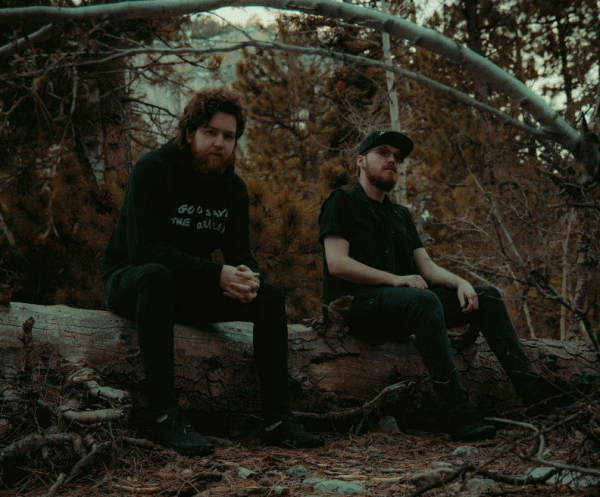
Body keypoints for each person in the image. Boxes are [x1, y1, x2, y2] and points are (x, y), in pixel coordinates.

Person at [101, 87, 324, 456]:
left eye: (229, 136)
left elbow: (242, 256)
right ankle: (162, 415)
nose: (220, 143)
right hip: (131, 280)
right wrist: (218, 274)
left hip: (186, 289)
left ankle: (278, 421)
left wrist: (248, 280)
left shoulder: (232, 189)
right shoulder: (153, 169)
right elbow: (143, 251)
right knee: (156, 275)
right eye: (211, 132)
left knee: (270, 297)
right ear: (190, 133)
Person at [318, 130, 568, 442]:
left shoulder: (399, 215)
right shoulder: (342, 202)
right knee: (423, 302)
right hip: (356, 307)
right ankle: (460, 413)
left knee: (487, 297)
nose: (392, 160)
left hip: (400, 307)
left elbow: (426, 267)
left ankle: (535, 396)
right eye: (383, 152)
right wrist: (396, 279)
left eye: (397, 156)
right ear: (360, 161)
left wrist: (462, 283)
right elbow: (337, 263)